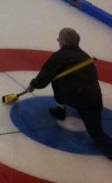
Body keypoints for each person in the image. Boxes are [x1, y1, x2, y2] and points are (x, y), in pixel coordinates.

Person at [25, 28, 112, 159]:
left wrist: (33, 85)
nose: (58, 42)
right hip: (94, 99)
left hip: (75, 98)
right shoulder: (85, 57)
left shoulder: (61, 56)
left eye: (59, 39)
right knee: (96, 132)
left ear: (64, 42)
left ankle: (61, 111)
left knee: (57, 79)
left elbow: (45, 77)